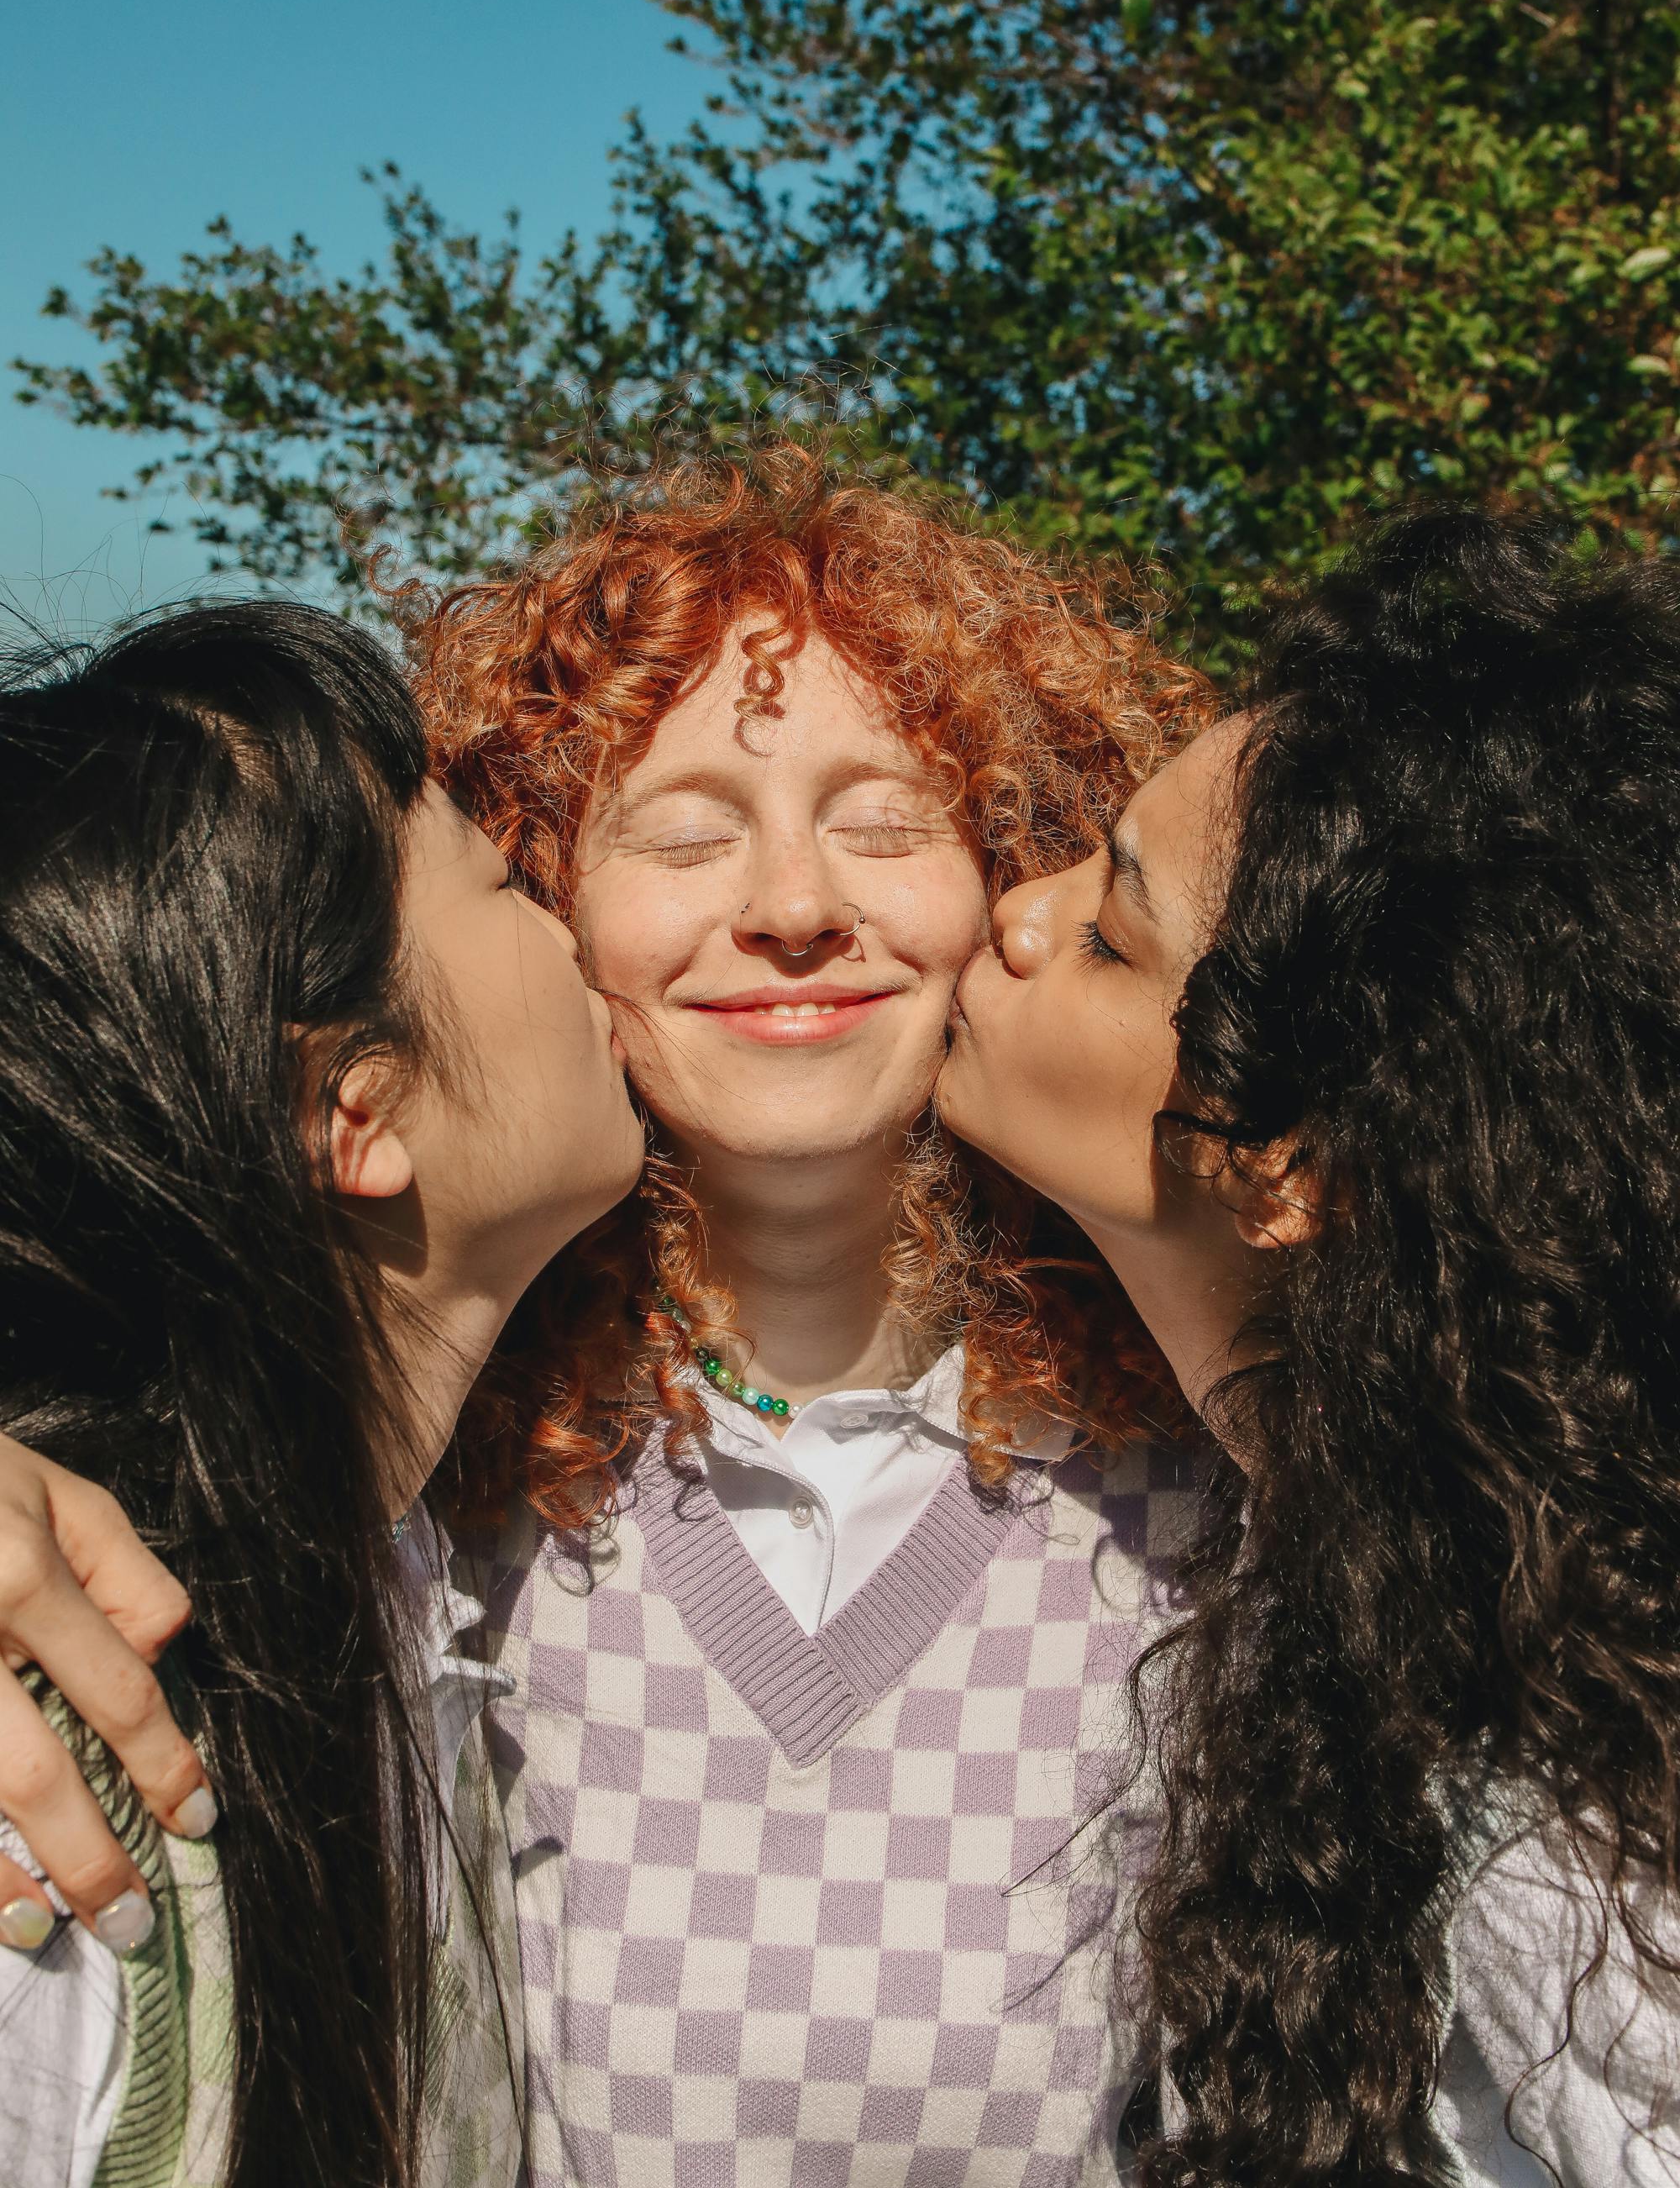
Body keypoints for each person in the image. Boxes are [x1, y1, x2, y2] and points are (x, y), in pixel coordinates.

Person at [0, 444, 1213, 2187]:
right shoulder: (406, 1509)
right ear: (556, 908)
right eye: (684, 833)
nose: (794, 910)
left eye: (885, 821)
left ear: (1016, 889)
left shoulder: (1236, 1483)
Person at [937, 507, 1680, 2182]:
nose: (1018, 912)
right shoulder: (1460, 1541)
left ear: (1284, 1166)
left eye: (1113, 933)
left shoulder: (1592, 1811)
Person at [0, 599, 644, 2188]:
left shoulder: (394, 1570)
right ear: (356, 1112)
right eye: (503, 880)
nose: (578, 924)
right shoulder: (68, 1804)